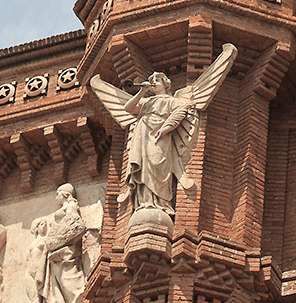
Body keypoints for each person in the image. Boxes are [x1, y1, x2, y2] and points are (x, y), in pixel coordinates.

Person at [90, 44, 238, 215]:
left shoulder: (172, 100)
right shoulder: (145, 102)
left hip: (160, 135)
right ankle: (145, 201)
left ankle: (160, 203)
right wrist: (141, 92)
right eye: (151, 81)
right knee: (142, 167)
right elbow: (128, 108)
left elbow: (182, 110)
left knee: (158, 164)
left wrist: (166, 128)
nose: (153, 82)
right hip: (142, 134)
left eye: (157, 80)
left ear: (166, 84)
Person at [28, 184, 88, 303]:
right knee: (60, 278)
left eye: (58, 194)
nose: (56, 198)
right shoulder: (64, 207)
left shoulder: (71, 207)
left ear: (65, 194)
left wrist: (57, 240)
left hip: (65, 248)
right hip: (57, 250)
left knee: (67, 277)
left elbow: (75, 225)